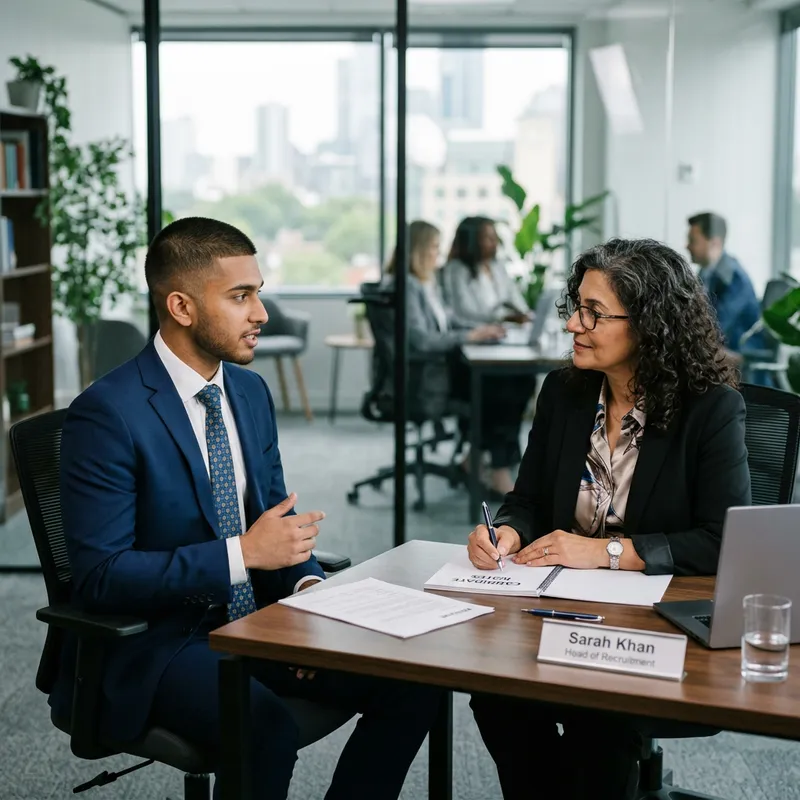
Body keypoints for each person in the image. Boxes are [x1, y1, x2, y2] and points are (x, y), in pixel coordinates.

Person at [56, 217, 442, 800]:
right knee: (265, 730)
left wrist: (306, 594)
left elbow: (273, 525)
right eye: (240, 297)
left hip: (259, 622)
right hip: (162, 642)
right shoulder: (108, 414)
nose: (260, 312)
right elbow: (102, 577)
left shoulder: (249, 392)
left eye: (258, 293)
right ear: (182, 307)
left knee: (415, 681)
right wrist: (242, 555)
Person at [466, 238, 751, 799]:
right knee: (496, 689)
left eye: (594, 313)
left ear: (649, 325)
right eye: (576, 307)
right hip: (558, 604)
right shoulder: (564, 392)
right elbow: (527, 497)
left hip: (654, 621)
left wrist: (607, 551)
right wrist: (508, 531)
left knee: (599, 714)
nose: (573, 324)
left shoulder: (711, 407)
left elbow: (723, 541)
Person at [384, 220, 535, 496]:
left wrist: (481, 331)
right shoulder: (407, 286)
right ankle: (497, 469)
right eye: (434, 247)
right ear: (417, 250)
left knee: (519, 380)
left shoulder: (425, 283)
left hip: (443, 367)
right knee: (502, 388)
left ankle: (477, 459)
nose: (439, 253)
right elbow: (422, 339)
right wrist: (469, 336)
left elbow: (450, 319)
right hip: (428, 378)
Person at [686, 211, 764, 355]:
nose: (687, 246)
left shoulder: (734, 277)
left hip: (741, 351)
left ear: (714, 243)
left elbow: (716, 326)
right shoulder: (705, 272)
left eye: (693, 241)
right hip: (719, 348)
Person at [440, 216, 531, 325]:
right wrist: (502, 318)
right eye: (488, 238)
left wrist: (525, 315)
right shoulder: (456, 270)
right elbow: (464, 311)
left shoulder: (498, 266)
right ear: (472, 241)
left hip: (505, 329)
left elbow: (514, 297)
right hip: (476, 330)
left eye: (495, 237)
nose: (494, 242)